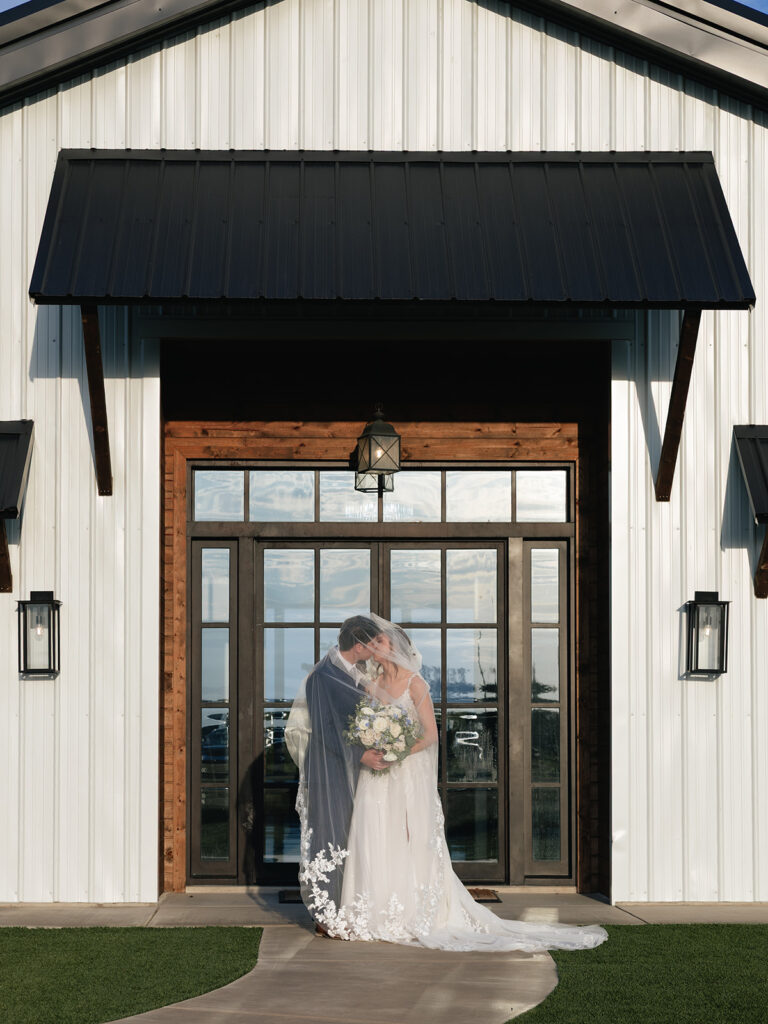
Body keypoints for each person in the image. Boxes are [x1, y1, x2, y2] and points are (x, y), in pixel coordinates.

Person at [291, 613, 608, 953]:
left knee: (409, 838)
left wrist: (398, 751)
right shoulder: (367, 683)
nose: (377, 648)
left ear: (394, 646)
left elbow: (429, 735)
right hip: (374, 777)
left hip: (402, 771)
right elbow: (348, 724)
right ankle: (371, 910)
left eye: (381, 642)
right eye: (374, 642)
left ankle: (412, 911)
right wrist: (369, 746)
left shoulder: (415, 683)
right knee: (372, 835)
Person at [285, 615, 388, 934]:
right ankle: (325, 914)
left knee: (352, 834)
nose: (375, 650)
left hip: (354, 768)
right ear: (358, 646)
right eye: (372, 645)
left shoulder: (356, 671)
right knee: (329, 834)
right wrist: (362, 754)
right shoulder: (322, 676)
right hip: (330, 769)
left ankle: (349, 905)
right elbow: (325, 730)